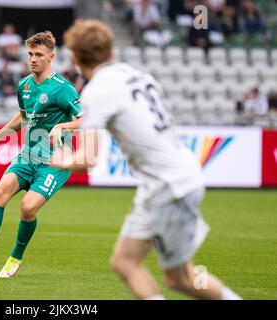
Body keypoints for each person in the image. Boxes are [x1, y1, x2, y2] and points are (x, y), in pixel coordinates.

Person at [51, 19, 241, 300]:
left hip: (169, 186)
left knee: (179, 276)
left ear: (76, 58)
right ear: (110, 51)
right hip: (173, 178)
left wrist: (60, 158)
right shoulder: (139, 75)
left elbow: (87, 159)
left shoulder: (97, 90)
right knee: (145, 268)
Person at [0, 31, 82, 278]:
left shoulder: (63, 89)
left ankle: (15, 257)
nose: (33, 59)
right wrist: (1, 133)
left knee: (27, 208)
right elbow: (24, 117)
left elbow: (86, 120)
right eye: (30, 54)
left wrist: (61, 126)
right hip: (28, 155)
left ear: (51, 57)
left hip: (55, 162)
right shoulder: (25, 85)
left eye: (38, 55)